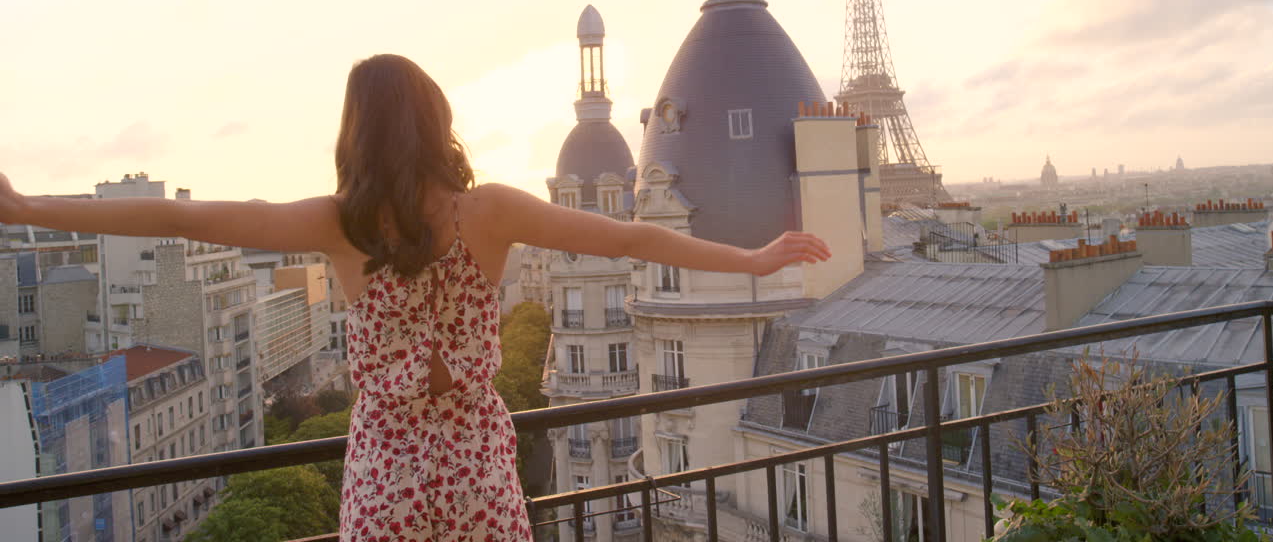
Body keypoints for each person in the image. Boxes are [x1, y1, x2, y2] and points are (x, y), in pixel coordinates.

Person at [0, 53, 830, 541]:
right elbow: (629, 239)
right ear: (436, 122)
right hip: (474, 467)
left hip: (385, 474)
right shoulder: (489, 213)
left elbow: (186, 214)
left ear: (356, 135)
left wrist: (33, 208)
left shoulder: (340, 225)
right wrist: (749, 259)